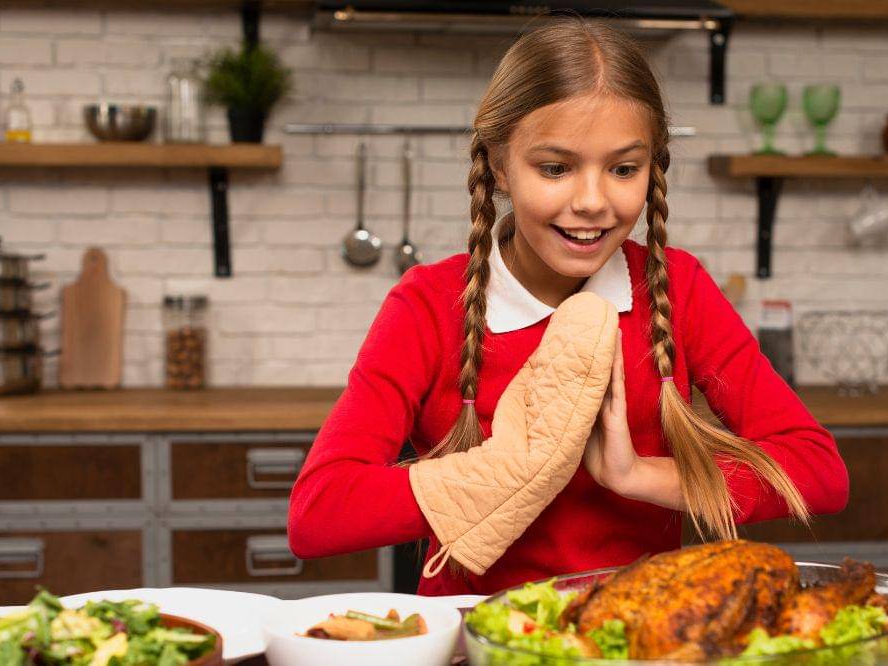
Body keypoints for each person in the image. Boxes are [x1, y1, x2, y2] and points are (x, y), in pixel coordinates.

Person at [287, 18, 848, 596]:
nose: (591, 202)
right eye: (555, 168)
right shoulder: (429, 304)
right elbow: (318, 514)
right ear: (501, 165)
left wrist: (641, 476)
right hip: (476, 641)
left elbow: (818, 471)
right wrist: (510, 471)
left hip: (630, 636)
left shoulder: (677, 288)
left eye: (624, 169)